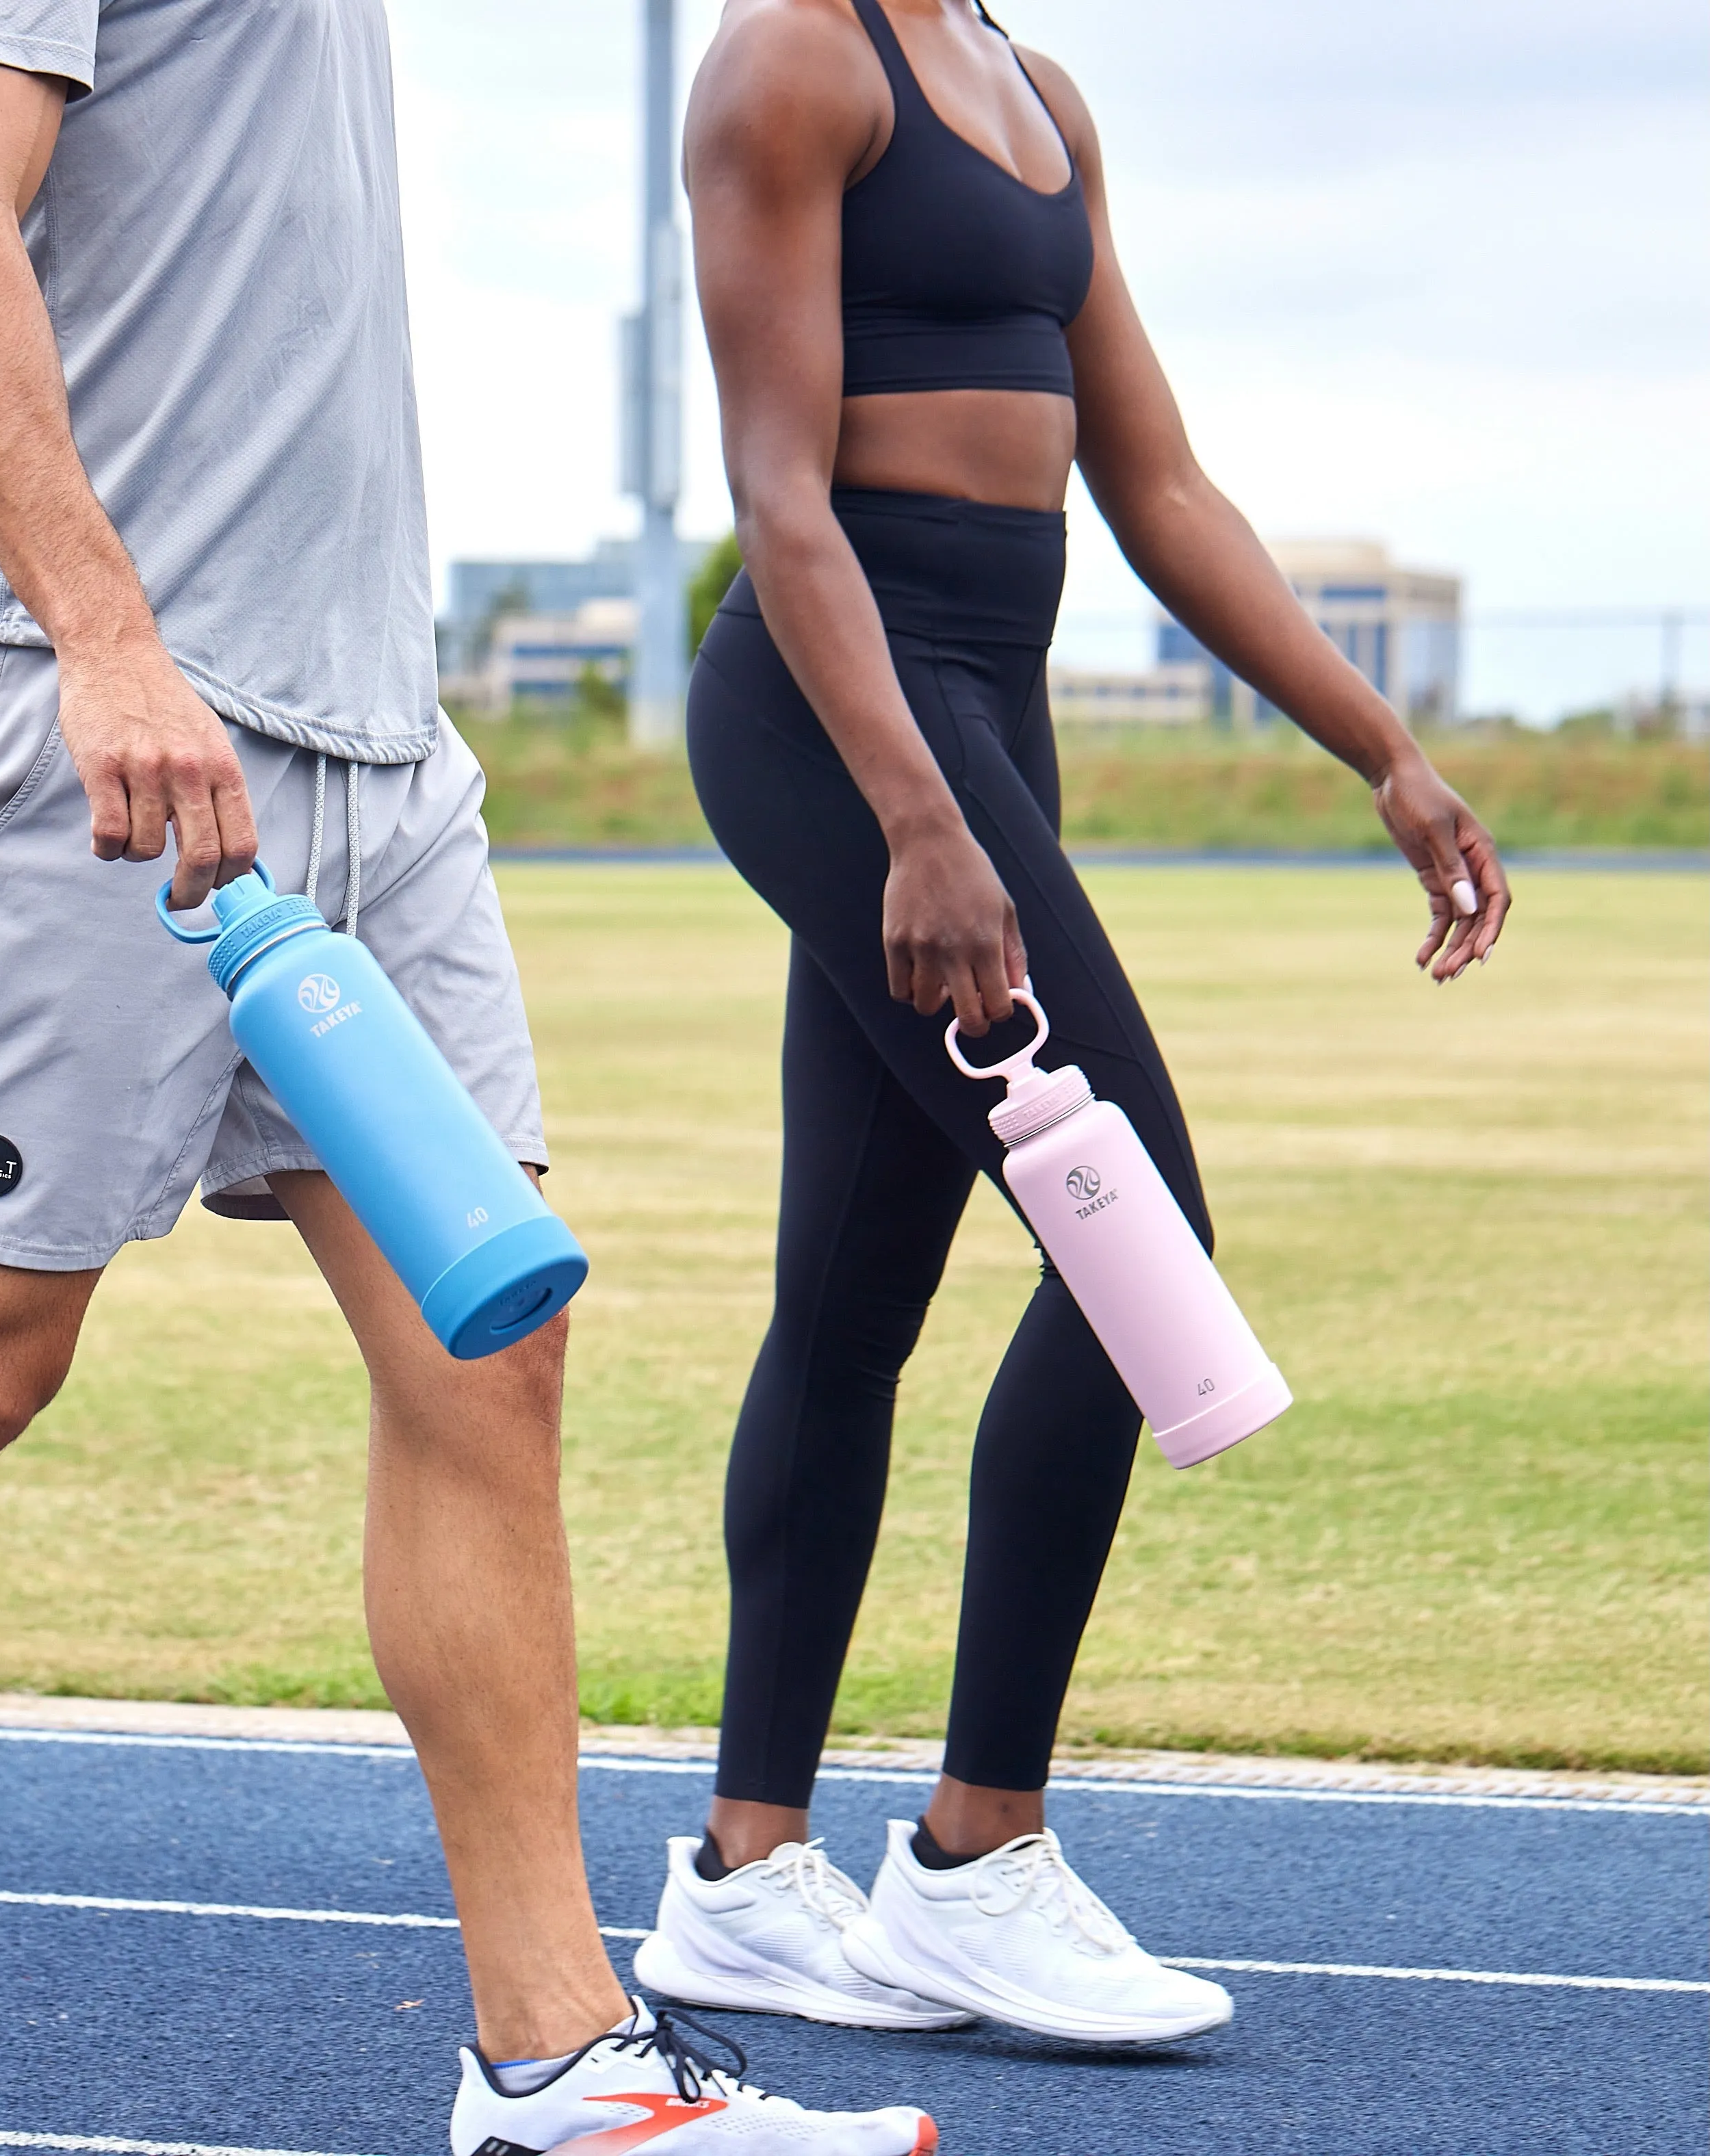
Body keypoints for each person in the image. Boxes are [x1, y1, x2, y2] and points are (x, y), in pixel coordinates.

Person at [0, 8, 943, 2153]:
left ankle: (562, 2056)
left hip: (371, 746)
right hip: (95, 710)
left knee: (489, 1341)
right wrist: (110, 641)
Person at [631, 0, 1510, 2047]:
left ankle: (746, 1878)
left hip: (973, 695)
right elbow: (780, 493)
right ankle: (972, 1857)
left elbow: (1160, 481)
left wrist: (1378, 748)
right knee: (1137, 1229)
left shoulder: (1041, 99)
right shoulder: (789, 61)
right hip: (836, 706)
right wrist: (920, 821)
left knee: (851, 1299)